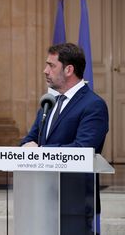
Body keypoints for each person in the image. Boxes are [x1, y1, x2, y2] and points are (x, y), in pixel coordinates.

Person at [21, 43, 109, 235]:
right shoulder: (49, 102)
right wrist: (27, 147)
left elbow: (83, 149)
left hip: (74, 202)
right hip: (41, 198)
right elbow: (29, 141)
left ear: (69, 69)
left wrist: (41, 151)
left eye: (51, 65)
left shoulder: (93, 105)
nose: (45, 71)